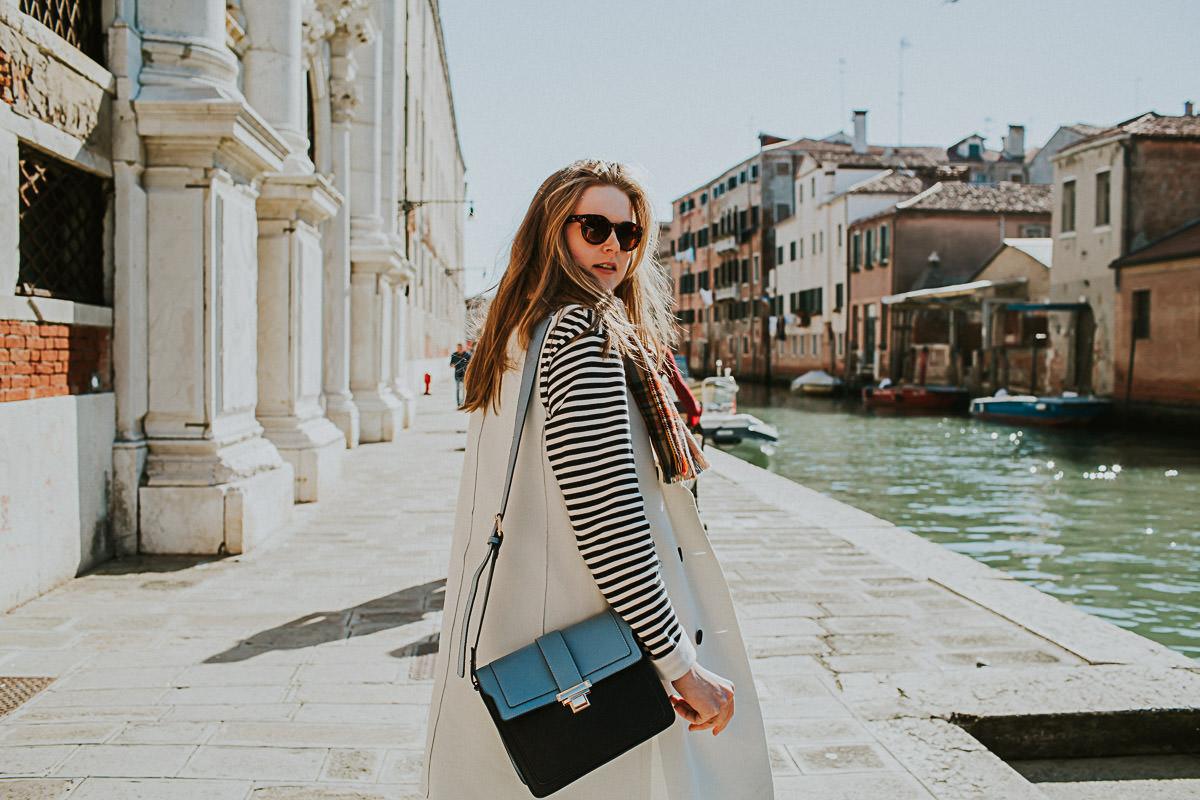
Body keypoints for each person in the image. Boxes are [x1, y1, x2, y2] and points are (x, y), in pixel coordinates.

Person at [420, 160, 772, 799]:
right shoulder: (582, 332)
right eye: (595, 227)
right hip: (592, 648)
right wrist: (680, 666)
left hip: (519, 624)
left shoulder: (514, 334)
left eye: (630, 234)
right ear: (554, 231)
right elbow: (608, 516)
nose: (613, 246)